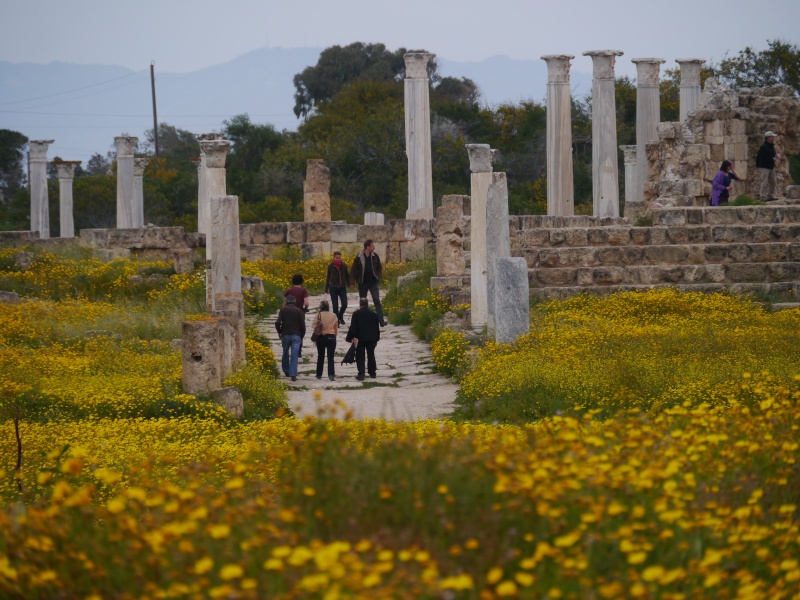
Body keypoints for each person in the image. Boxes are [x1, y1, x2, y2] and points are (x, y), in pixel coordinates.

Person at [351, 239, 387, 327]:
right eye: (372, 246)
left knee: (377, 300)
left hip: (373, 282)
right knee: (363, 302)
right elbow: (353, 270)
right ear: (368, 247)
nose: (374, 247)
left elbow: (379, 267)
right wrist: (352, 282)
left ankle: (381, 321)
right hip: (362, 283)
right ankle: (363, 321)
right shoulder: (359, 257)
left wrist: (378, 276)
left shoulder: (375, 256)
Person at [345, 297, 381, 381]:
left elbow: (353, 327)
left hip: (360, 338)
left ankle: (361, 374)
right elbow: (377, 328)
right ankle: (372, 373)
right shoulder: (374, 314)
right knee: (371, 355)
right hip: (371, 338)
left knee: (360, 356)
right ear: (367, 304)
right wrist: (376, 339)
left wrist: (351, 337)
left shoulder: (356, 314)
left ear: (360, 304)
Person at [275, 295, 305, 382]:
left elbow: (277, 322)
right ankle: (293, 374)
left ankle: (286, 370)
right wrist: (301, 336)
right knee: (294, 355)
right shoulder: (299, 311)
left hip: (285, 335)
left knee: (285, 353)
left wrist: (279, 331)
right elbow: (302, 326)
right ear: (295, 302)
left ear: (287, 302)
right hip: (296, 335)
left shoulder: (283, 310)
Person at [313, 299, 339, 381]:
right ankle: (331, 375)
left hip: (320, 337)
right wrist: (334, 336)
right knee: (330, 357)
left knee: (320, 356)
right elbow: (336, 328)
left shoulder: (318, 315)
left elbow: (314, 326)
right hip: (331, 336)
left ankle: (319, 374)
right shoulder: (333, 315)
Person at [324, 251, 350, 326]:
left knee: (344, 304)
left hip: (342, 287)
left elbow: (347, 276)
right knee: (335, 306)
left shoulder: (344, 265)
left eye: (339, 258)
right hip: (333, 287)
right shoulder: (330, 266)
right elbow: (327, 278)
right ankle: (336, 321)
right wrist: (326, 290)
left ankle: (340, 316)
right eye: (336, 258)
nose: (338, 259)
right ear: (334, 258)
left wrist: (349, 284)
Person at [756, 131, 781, 201]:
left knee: (773, 181)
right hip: (764, 166)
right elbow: (762, 157)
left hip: (771, 166)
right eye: (772, 137)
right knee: (765, 182)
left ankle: (770, 195)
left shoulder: (771, 146)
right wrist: (772, 158)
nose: (774, 138)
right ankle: (762, 197)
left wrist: (775, 156)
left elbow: (772, 154)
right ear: (768, 138)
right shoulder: (763, 147)